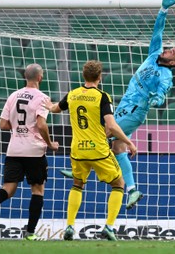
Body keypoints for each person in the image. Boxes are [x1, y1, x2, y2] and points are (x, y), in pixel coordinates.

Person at [60, 0, 175, 210]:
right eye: (169, 48)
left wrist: (158, 99)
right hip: (126, 105)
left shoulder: (166, 74)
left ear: (174, 62)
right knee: (118, 148)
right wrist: (164, 9)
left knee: (104, 132)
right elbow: (158, 31)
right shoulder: (154, 55)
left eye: (172, 52)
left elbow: (163, 91)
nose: (167, 50)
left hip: (135, 111)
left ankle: (82, 166)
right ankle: (133, 190)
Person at [44, 60, 137, 241]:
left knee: (77, 184)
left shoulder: (72, 94)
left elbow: (55, 109)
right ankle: (109, 227)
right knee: (119, 184)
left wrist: (48, 105)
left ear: (83, 76)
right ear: (100, 77)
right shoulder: (102, 97)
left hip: (77, 151)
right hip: (98, 150)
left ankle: (70, 226)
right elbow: (111, 126)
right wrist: (129, 142)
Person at [0, 63, 59, 241]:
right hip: (34, 151)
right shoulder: (43, 97)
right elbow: (42, 124)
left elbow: (3, 124)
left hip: (14, 149)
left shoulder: (14, 95)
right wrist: (50, 143)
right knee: (37, 191)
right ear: (40, 78)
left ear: (25, 77)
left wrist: (20, 127)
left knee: (8, 189)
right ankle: (30, 233)